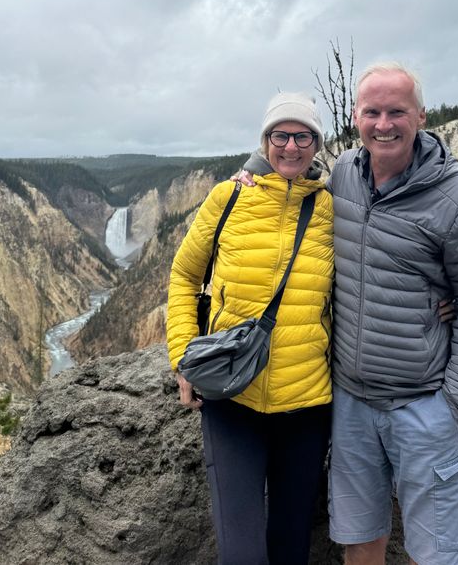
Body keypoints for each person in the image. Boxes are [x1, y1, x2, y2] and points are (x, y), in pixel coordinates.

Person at [327, 62, 458, 565]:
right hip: (352, 404)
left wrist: (453, 405)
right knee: (359, 542)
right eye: (373, 112)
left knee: (440, 555)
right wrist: (251, 168)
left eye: (397, 111)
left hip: (422, 407)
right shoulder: (343, 174)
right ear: (356, 119)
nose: (384, 124)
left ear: (421, 116)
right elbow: (286, 170)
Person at [166, 93, 335, 565]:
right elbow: (183, 276)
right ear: (265, 141)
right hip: (232, 400)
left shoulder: (331, 209)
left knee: (290, 548)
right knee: (241, 553)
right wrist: (183, 358)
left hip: (306, 406)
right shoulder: (229, 196)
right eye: (280, 135)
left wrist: (438, 298)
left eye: (304, 136)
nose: (291, 146)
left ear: (316, 144)